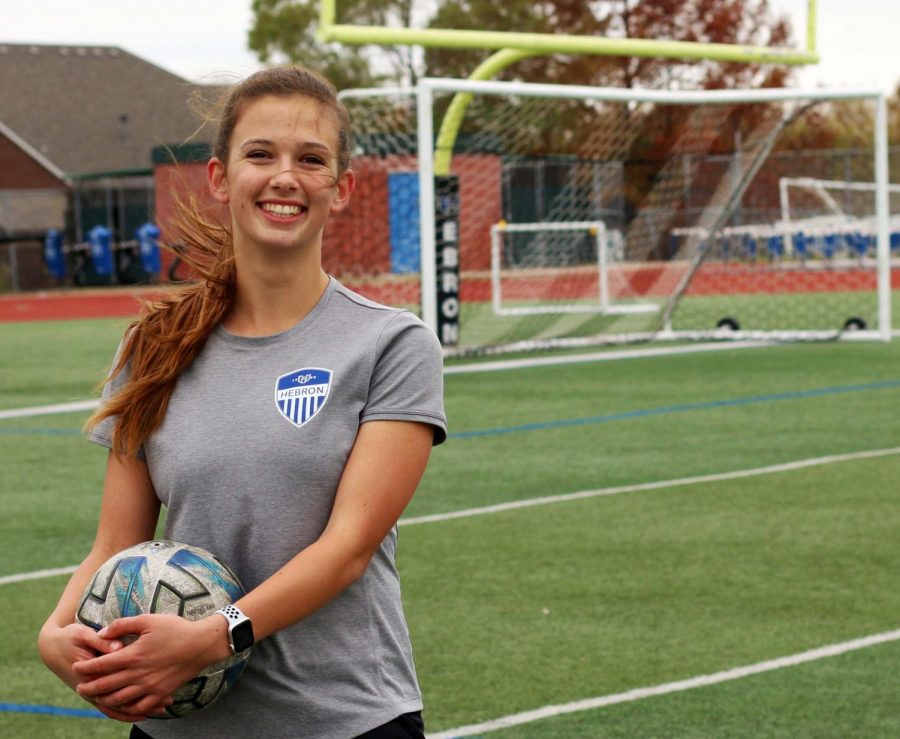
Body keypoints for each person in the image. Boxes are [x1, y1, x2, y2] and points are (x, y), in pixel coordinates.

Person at [37, 64, 447, 739]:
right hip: (174, 727)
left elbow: (346, 548)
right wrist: (60, 634)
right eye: (261, 154)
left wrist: (210, 639)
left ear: (340, 188)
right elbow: (115, 543)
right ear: (221, 178)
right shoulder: (153, 346)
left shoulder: (390, 345)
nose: (285, 176)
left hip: (341, 722)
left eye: (310, 159)